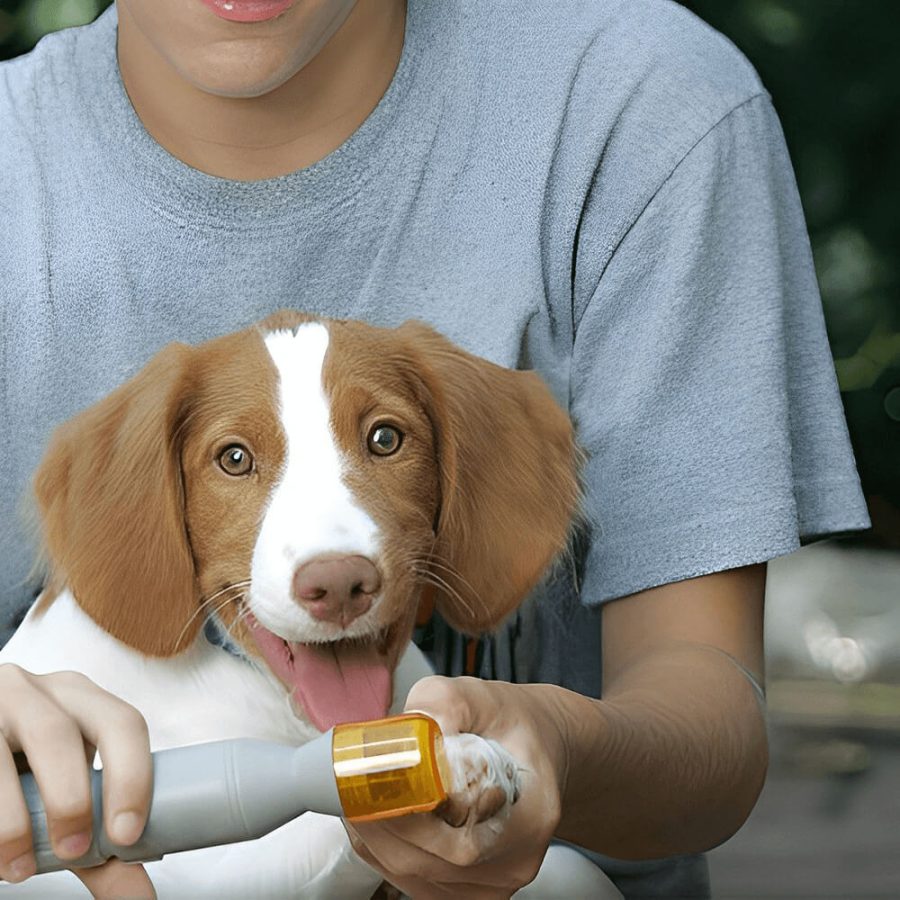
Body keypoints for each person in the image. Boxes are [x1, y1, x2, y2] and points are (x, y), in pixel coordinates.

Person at [0, 0, 869, 897]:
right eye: (231, 460)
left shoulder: (636, 105)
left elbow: (713, 728)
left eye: (385, 441)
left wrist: (556, 750)